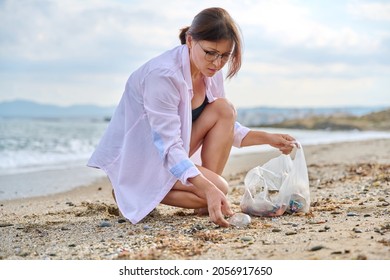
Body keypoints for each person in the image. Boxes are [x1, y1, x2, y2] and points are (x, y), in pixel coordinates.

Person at [87, 7, 296, 227]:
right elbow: (168, 146)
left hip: (173, 153)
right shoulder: (163, 76)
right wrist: (208, 187)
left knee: (224, 108)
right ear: (189, 41)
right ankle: (130, 189)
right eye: (210, 52)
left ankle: (204, 199)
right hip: (144, 158)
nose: (217, 63)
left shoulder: (210, 72)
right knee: (219, 187)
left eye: (225, 55)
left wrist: (268, 138)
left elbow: (226, 127)